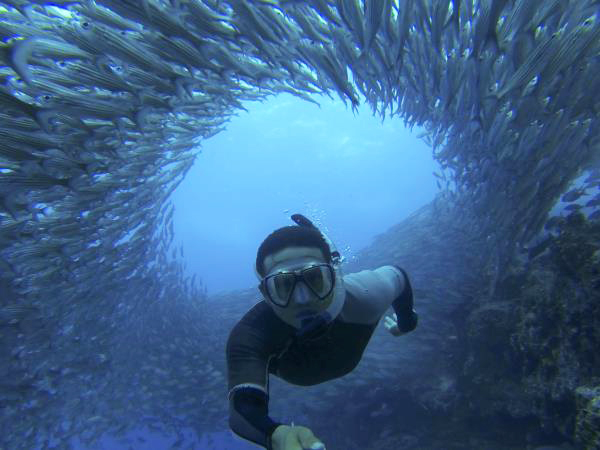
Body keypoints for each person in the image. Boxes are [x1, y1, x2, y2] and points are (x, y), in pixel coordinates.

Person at [226, 214, 418, 450]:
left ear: (334, 277)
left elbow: (399, 277)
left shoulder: (366, 295)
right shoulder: (252, 334)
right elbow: (242, 410)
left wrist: (407, 322)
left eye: (315, 278)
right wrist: (276, 435)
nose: (302, 299)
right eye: (283, 285)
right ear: (266, 293)